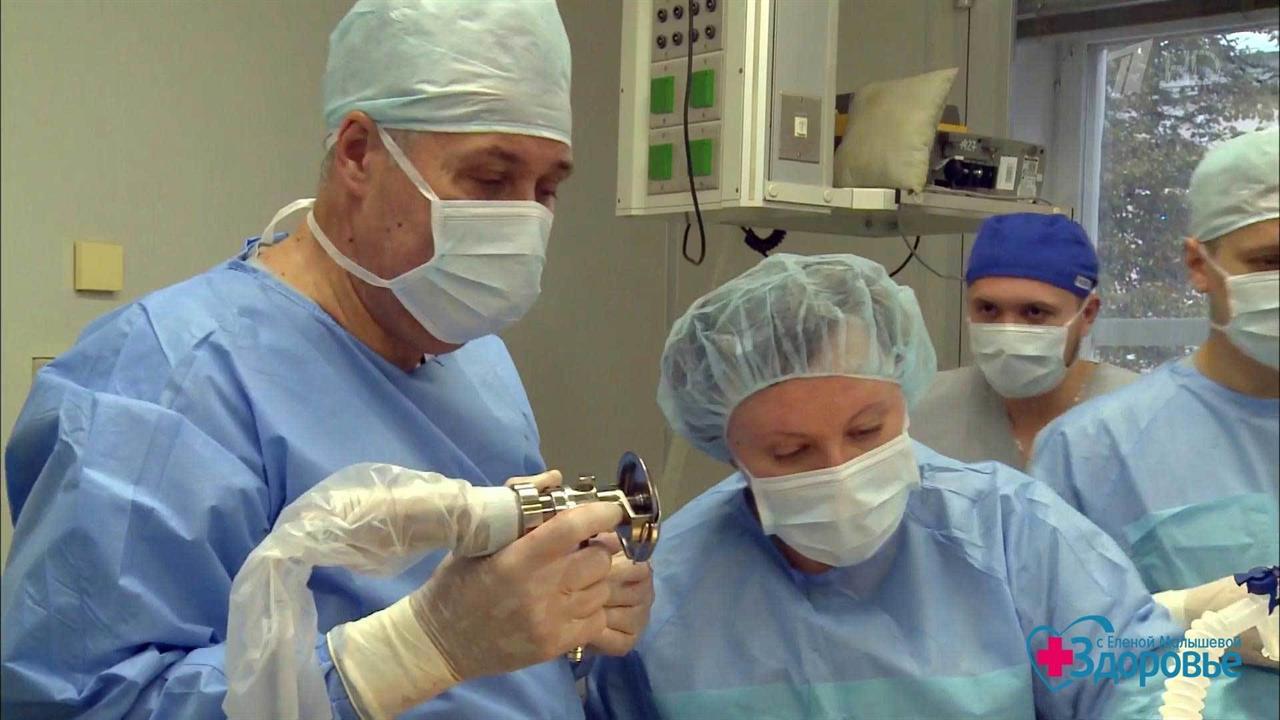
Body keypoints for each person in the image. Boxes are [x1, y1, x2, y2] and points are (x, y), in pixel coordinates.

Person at [0, 2, 653, 718]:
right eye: (491, 181)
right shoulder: (166, 380)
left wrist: (571, 612)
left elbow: (496, 651)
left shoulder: (480, 364)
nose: (524, 222)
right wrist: (410, 651)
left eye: (547, 189)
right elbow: (87, 702)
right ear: (358, 153)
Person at [586, 253, 1179, 719]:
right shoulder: (669, 590)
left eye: (867, 430)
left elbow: (1146, 689)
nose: (840, 470)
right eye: (791, 452)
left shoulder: (1012, 537)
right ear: (729, 448)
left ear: (905, 396)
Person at [1031, 127, 1280, 718]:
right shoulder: (1092, 451)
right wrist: (1189, 624)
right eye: (1270, 261)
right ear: (1199, 264)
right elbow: (1053, 663)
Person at [912, 213, 1137, 469]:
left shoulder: (1139, 416)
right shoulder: (921, 410)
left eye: (1034, 312)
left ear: (1087, 314)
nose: (1008, 331)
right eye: (988, 309)